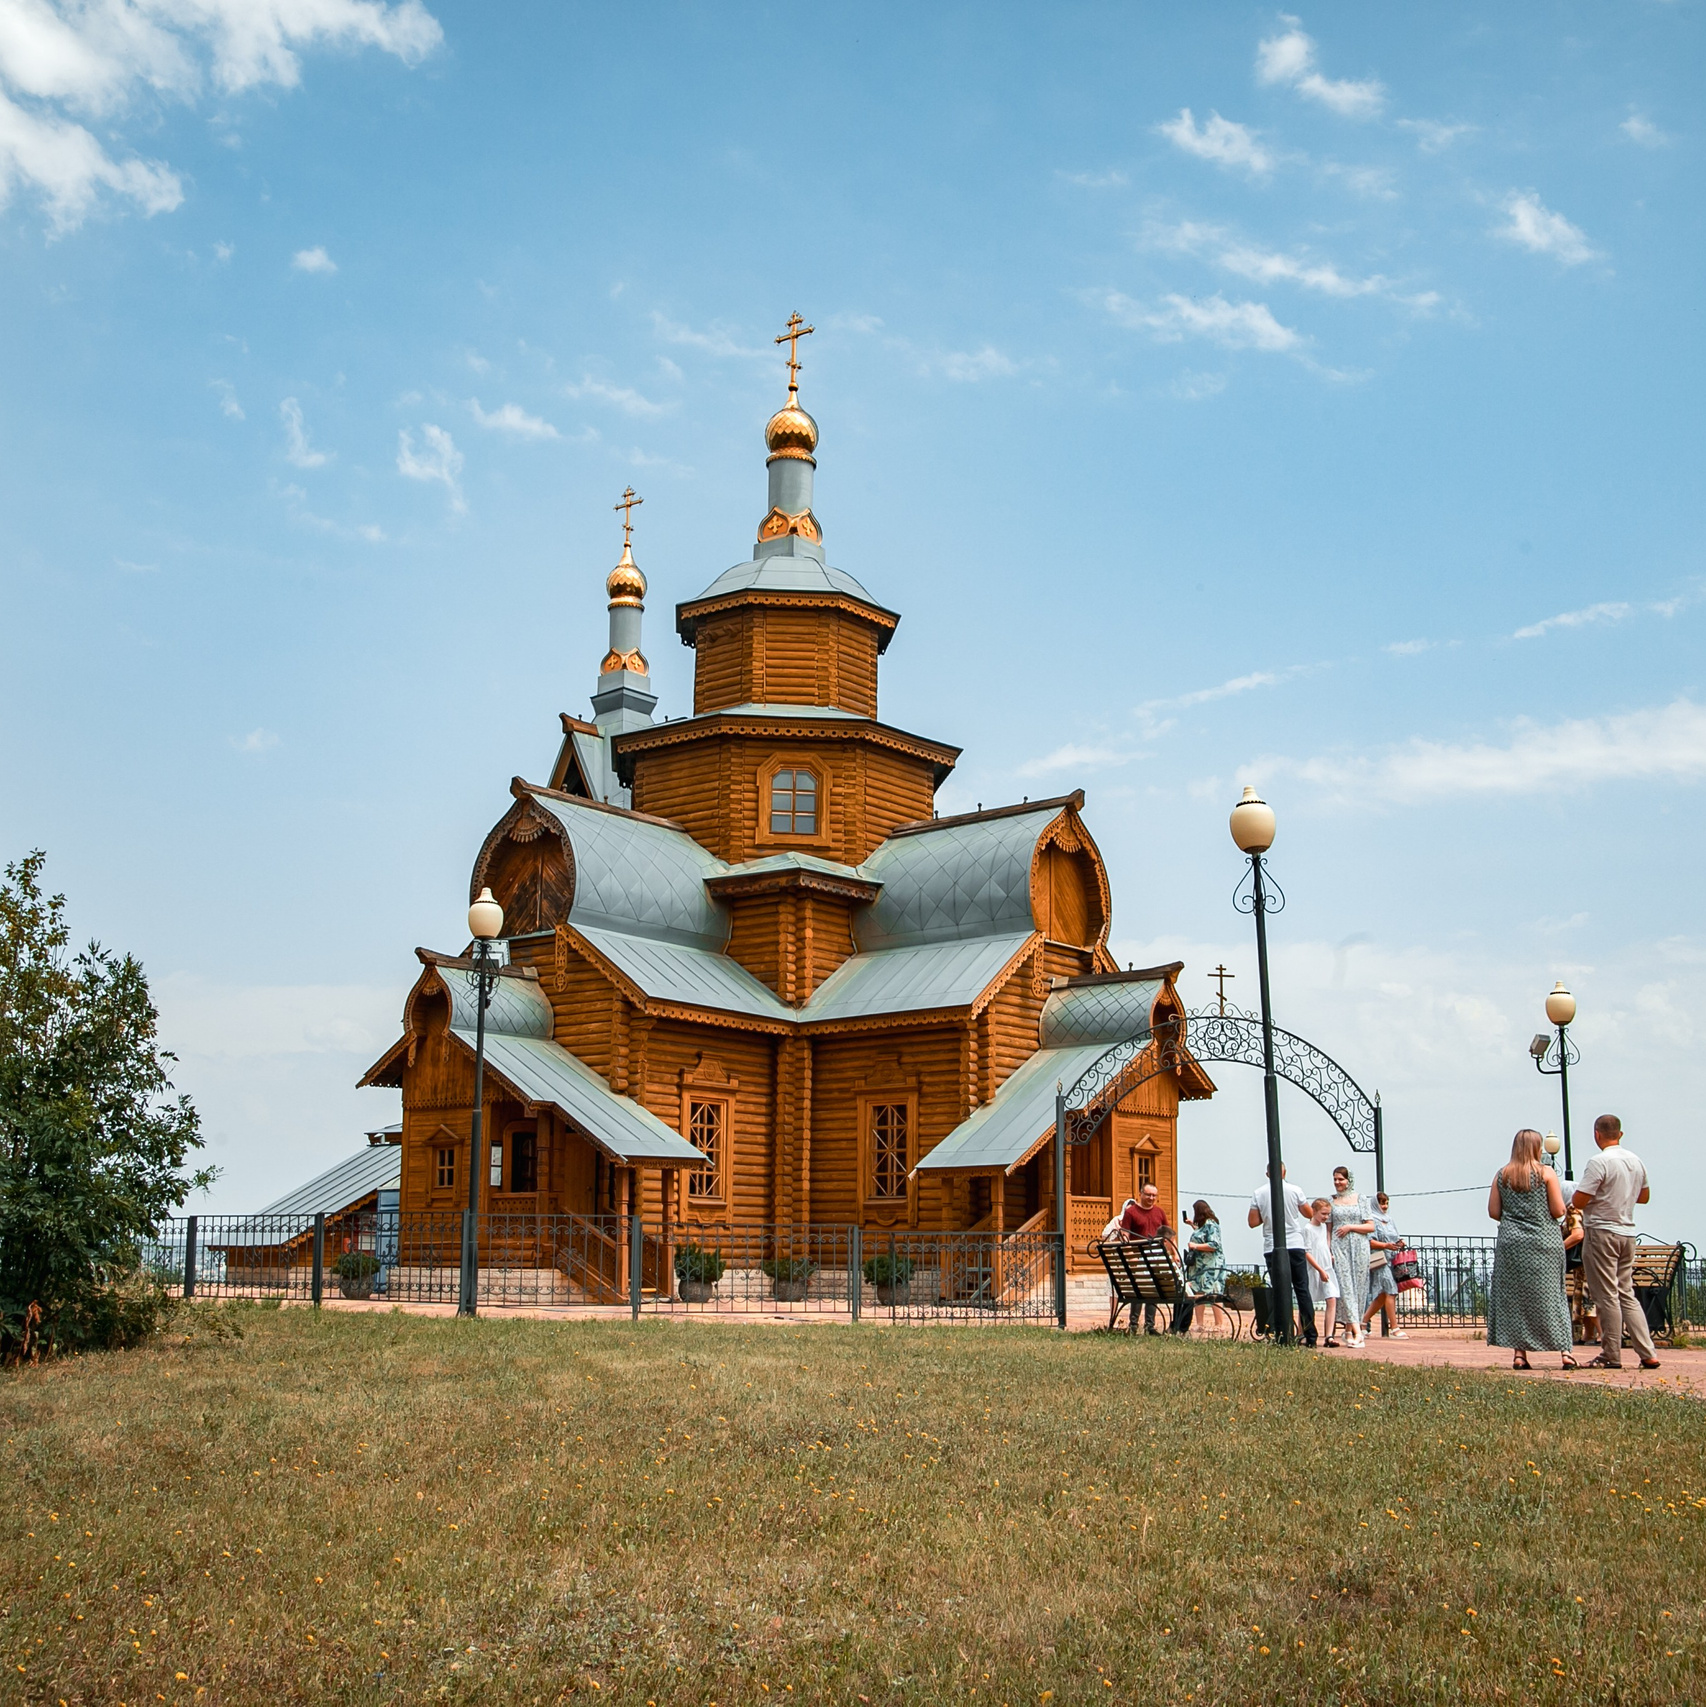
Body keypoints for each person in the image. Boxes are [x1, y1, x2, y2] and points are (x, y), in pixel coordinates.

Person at [1572, 1114, 1660, 1371]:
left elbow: (1579, 1200)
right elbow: (1643, 1197)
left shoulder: (1598, 1162)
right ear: (1620, 1134)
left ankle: (1611, 1353)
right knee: (1626, 1292)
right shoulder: (1636, 1161)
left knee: (1606, 1295)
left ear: (1596, 1134)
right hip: (1627, 1231)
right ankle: (1647, 1352)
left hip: (1601, 1230)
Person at [1486, 1127, 1576, 1372]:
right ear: (1537, 1148)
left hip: (1512, 1243)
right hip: (1543, 1242)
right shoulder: (1546, 1173)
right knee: (1553, 1295)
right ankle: (1565, 1353)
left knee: (1516, 1299)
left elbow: (1494, 1211)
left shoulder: (1502, 1175)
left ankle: (1519, 1354)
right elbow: (1558, 1210)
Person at [1247, 1165, 1316, 1346]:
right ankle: (1310, 1334)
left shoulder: (1258, 1193)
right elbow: (1309, 1213)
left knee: (1279, 1290)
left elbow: (1252, 1222)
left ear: (1267, 1173)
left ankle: (1281, 1331)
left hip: (1272, 1245)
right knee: (1302, 1290)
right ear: (1285, 1172)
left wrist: (1267, 1215)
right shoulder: (1295, 1190)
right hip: (1295, 1243)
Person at [1328, 1166, 1375, 1349]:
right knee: (1345, 1286)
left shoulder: (1361, 1199)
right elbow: (1329, 1229)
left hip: (1359, 1247)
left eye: (1341, 1179)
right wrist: (1329, 1250)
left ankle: (1350, 1329)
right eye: (1335, 1179)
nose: (1338, 1183)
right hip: (1340, 1248)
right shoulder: (1332, 1201)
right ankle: (1357, 1333)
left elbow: (1370, 1226)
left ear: (1349, 1180)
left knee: (1358, 1288)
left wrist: (1350, 1227)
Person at [1119, 1183, 1173, 1334]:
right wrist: (1129, 1254)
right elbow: (1125, 1234)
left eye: (1154, 1195)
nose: (1151, 1198)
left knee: (1153, 1290)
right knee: (1139, 1290)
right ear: (1140, 1194)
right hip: (1138, 1257)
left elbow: (1167, 1233)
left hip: (1156, 1256)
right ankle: (1133, 1324)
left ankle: (1150, 1325)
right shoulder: (1131, 1212)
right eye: (1148, 1195)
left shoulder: (1160, 1212)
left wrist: (1173, 1254)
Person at [1171, 1200, 1228, 1336]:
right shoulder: (1203, 1226)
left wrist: (1194, 1246)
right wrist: (1192, 1225)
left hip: (1211, 1266)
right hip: (1200, 1266)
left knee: (1213, 1293)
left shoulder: (1212, 1225)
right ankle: (1200, 1323)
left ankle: (1219, 1324)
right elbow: (1202, 1237)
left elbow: (1214, 1245)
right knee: (1198, 1293)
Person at [1360, 1192, 1408, 1340]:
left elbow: (1395, 1236)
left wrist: (1399, 1243)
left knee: (1382, 1296)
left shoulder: (1389, 1220)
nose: (1384, 1206)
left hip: (1391, 1258)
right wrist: (1385, 1245)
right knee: (1391, 1290)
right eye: (1381, 1203)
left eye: (1386, 1203)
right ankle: (1394, 1328)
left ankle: (1363, 1323)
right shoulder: (1371, 1220)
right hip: (1379, 1259)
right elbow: (1369, 1241)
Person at [1305, 1198, 1340, 1345]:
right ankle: (1303, 1332)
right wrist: (1319, 1269)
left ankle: (1329, 1335)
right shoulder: (1307, 1229)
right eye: (1323, 1213)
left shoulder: (1324, 1227)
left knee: (1332, 1299)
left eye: (1328, 1214)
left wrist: (1329, 1254)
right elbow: (1307, 1252)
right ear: (1314, 1212)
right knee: (1308, 1302)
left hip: (1327, 1267)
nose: (1326, 1217)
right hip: (1315, 1269)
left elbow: (1324, 1244)